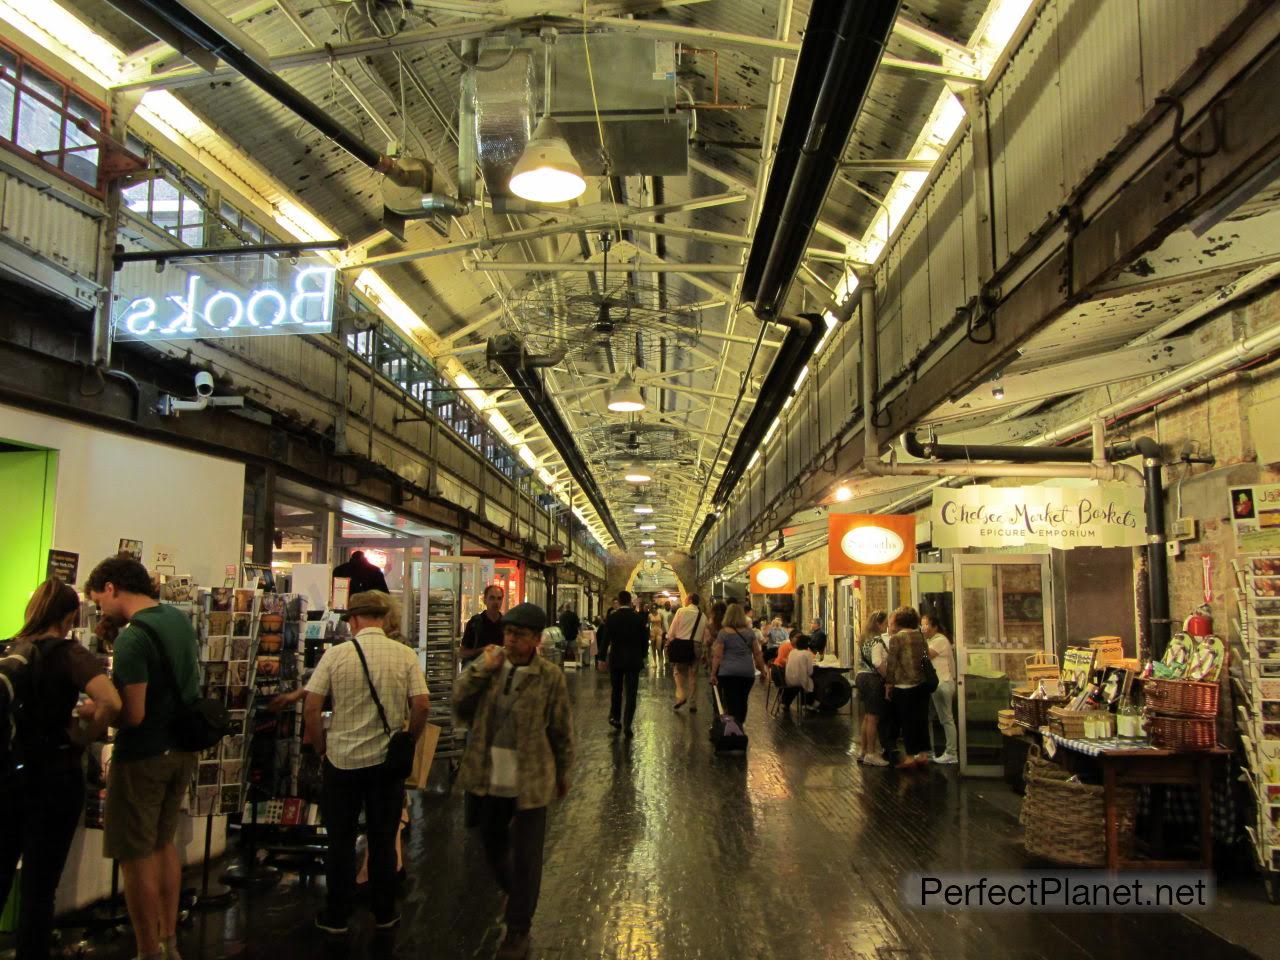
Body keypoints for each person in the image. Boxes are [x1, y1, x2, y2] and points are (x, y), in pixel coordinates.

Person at [85, 556, 199, 960]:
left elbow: (133, 713)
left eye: (98, 600)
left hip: (143, 755)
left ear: (112, 588)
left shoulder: (133, 639)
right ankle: (169, 941)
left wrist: (91, 710)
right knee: (163, 845)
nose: (99, 608)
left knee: (134, 856)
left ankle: (147, 949)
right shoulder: (178, 619)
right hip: (182, 750)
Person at [0, 580, 120, 960]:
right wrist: (87, 732)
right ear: (70, 615)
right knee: (40, 885)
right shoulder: (69, 654)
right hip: (54, 775)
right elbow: (111, 701)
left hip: (7, 776)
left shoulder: (7, 648)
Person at [304, 591, 429, 934]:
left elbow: (312, 706)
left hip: (342, 762)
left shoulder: (336, 656)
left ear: (354, 619)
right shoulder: (404, 655)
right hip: (386, 764)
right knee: (383, 837)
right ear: (383, 617)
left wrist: (320, 748)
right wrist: (408, 740)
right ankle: (384, 912)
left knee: (340, 841)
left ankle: (337, 915)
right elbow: (421, 705)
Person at [454, 603, 573, 960]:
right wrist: (481, 668)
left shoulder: (550, 676)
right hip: (487, 776)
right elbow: (458, 700)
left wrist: (564, 771)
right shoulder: (490, 667)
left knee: (527, 858)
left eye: (519, 635)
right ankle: (519, 894)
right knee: (491, 845)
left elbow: (561, 728)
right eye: (507, 633)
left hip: (531, 779)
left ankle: (518, 928)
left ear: (536, 640)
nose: (510, 640)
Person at [884, 606, 931, 770]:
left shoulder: (897, 638)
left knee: (907, 721)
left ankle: (910, 757)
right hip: (922, 683)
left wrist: (888, 683)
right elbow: (926, 657)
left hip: (904, 685)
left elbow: (892, 663)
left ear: (899, 621)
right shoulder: (920, 636)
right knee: (921, 719)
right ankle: (923, 755)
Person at [709, 603, 767, 727]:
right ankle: (739, 722)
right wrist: (763, 670)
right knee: (743, 700)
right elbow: (757, 654)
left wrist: (713, 673)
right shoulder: (749, 633)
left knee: (730, 701)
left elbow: (717, 656)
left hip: (727, 673)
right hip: (746, 673)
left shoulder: (723, 633)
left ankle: (734, 729)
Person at [604, 591, 649, 737]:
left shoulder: (612, 618)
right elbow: (644, 640)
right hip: (633, 660)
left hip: (616, 659)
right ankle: (628, 724)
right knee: (631, 693)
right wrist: (643, 655)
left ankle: (615, 718)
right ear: (630, 601)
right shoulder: (638, 619)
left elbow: (605, 639)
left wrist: (600, 658)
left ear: (619, 601)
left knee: (616, 690)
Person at [923, 614, 958, 764]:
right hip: (934, 685)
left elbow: (927, 655)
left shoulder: (940, 640)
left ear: (934, 627)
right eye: (922, 624)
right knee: (928, 717)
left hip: (942, 683)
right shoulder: (930, 641)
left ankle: (951, 753)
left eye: (925, 625)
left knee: (946, 718)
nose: (923, 627)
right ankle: (929, 751)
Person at [855, 611, 889, 766]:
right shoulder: (877, 641)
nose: (887, 625)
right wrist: (888, 677)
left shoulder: (864, 640)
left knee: (868, 716)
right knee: (874, 717)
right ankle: (871, 752)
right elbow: (877, 662)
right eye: (885, 623)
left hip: (861, 676)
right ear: (878, 624)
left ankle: (863, 751)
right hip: (872, 679)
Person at [664, 593, 705, 711]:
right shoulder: (703, 616)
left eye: (686, 598)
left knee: (677, 671)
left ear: (690, 599)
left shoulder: (681, 611)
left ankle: (681, 695)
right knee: (693, 675)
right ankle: (693, 704)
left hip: (682, 645)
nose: (684, 600)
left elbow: (672, 631)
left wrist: (668, 642)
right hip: (696, 646)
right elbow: (704, 635)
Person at [460, 585, 506, 666]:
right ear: (485, 600)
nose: (496, 602)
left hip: (499, 674)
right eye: (492, 598)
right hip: (479, 673)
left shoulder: (506, 624)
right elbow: (463, 652)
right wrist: (482, 650)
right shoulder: (475, 623)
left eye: (499, 598)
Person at [781, 634, 814, 711]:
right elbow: (810, 671)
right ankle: (808, 703)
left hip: (788, 679)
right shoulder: (808, 654)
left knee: (797, 684)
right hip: (800, 680)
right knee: (814, 681)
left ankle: (786, 703)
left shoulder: (792, 652)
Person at [647, 604, 665, 668]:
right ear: (651, 609)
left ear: (657, 608)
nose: (654, 609)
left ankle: (661, 660)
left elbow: (663, 624)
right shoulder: (649, 615)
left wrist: (663, 633)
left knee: (658, 648)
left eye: (655, 608)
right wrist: (647, 632)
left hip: (659, 631)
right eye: (653, 608)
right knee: (653, 648)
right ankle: (654, 662)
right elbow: (648, 624)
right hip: (652, 632)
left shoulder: (660, 615)